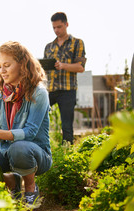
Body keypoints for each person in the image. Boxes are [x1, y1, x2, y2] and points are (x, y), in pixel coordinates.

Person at [0, 41, 52, 207]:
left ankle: (30, 187)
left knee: (19, 148)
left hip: (36, 155)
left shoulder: (38, 93)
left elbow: (29, 132)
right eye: (0, 66)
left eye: (7, 65)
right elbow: (2, 133)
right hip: (7, 151)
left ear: (22, 65)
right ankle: (12, 182)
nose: (2, 71)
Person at [44, 12, 86, 144]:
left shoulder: (77, 43)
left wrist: (63, 65)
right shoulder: (48, 47)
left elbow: (80, 67)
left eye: (59, 27)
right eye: (54, 28)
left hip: (68, 90)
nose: (56, 30)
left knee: (67, 125)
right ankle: (41, 146)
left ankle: (67, 151)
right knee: (37, 116)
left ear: (66, 24)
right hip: (50, 90)